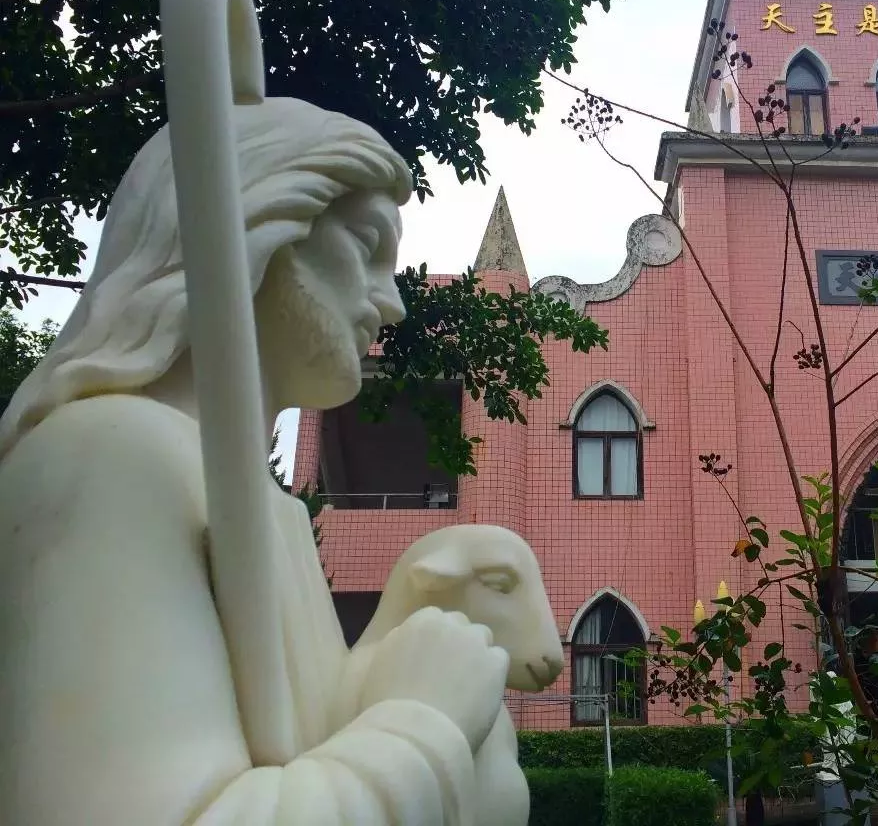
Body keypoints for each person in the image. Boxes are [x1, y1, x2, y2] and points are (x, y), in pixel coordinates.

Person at [0, 97, 508, 825]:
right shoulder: (108, 455)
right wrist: (423, 724)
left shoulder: (270, 510)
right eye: (365, 243)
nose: (391, 302)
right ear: (256, 225)